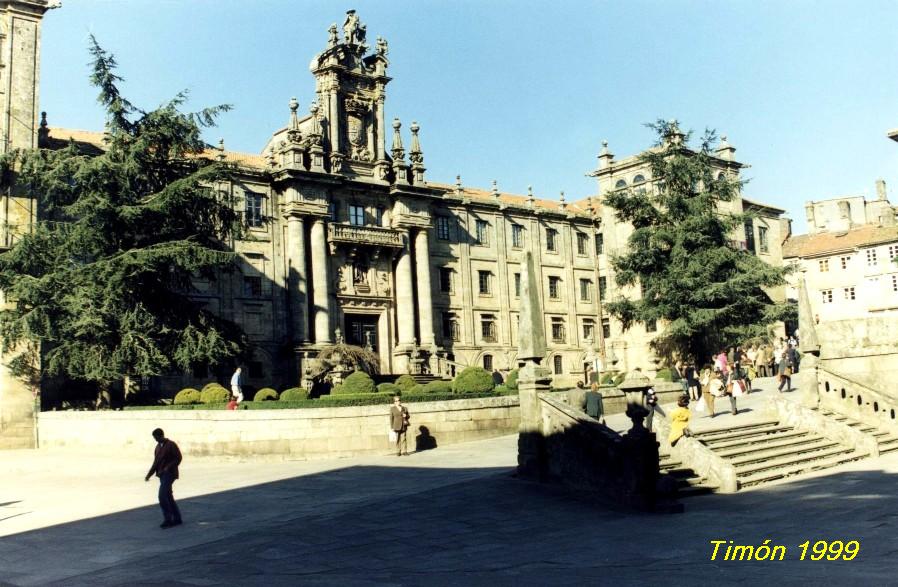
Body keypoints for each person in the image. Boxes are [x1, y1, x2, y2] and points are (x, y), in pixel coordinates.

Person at [145, 428, 183, 529]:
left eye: (156, 437)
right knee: (168, 496)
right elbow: (156, 463)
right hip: (162, 475)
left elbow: (178, 458)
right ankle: (177, 518)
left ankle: (168, 519)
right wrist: (149, 474)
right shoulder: (157, 447)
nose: (155, 439)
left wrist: (168, 467)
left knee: (162, 496)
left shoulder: (171, 445)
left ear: (161, 435)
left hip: (169, 474)